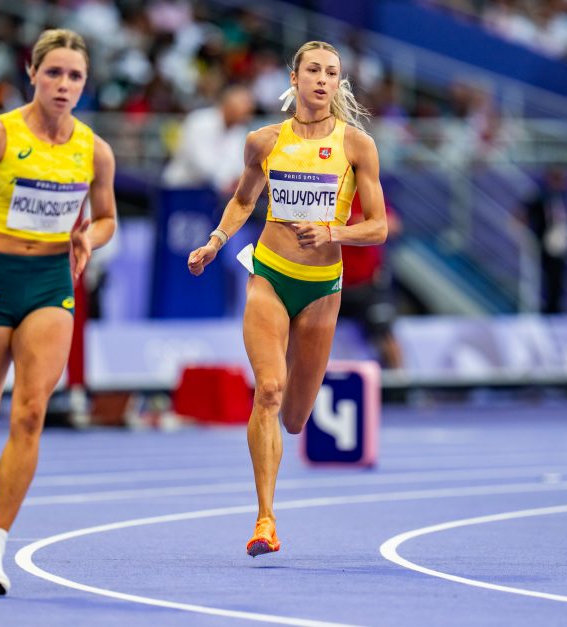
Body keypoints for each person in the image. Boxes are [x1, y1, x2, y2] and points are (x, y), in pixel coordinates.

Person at [0, 29, 116, 595]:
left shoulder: (94, 149)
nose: (64, 85)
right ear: (33, 74)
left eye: (75, 76)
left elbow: (107, 217)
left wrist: (90, 237)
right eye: (54, 73)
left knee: (32, 411)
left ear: (86, 84)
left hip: (50, 284)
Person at [187, 40, 387, 557]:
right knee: (269, 392)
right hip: (270, 275)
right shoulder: (263, 141)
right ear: (294, 79)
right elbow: (242, 199)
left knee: (295, 416)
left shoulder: (357, 146)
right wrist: (214, 242)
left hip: (323, 288)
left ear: (337, 85)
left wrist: (332, 235)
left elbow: (379, 226)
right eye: (314, 70)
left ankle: (273, 490)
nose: (323, 80)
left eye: (332, 73)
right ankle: (265, 520)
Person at [339, 193, 404, 369]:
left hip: (367, 284)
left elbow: (394, 225)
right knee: (307, 332)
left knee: (385, 335)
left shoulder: (364, 190)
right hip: (330, 284)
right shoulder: (322, 189)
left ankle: (400, 389)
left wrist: (360, 224)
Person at [161, 84, 255, 195]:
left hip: (214, 193)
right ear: (228, 105)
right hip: (181, 188)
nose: (248, 116)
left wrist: (237, 180)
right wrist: (227, 181)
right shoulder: (199, 122)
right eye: (244, 110)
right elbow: (200, 164)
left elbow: (239, 163)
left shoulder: (239, 130)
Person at [521, 166, 567, 314]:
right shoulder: (541, 196)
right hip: (546, 243)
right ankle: (548, 309)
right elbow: (523, 214)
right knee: (548, 278)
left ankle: (556, 308)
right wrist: (524, 237)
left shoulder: (563, 196)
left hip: (562, 244)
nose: (563, 182)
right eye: (559, 178)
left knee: (560, 280)